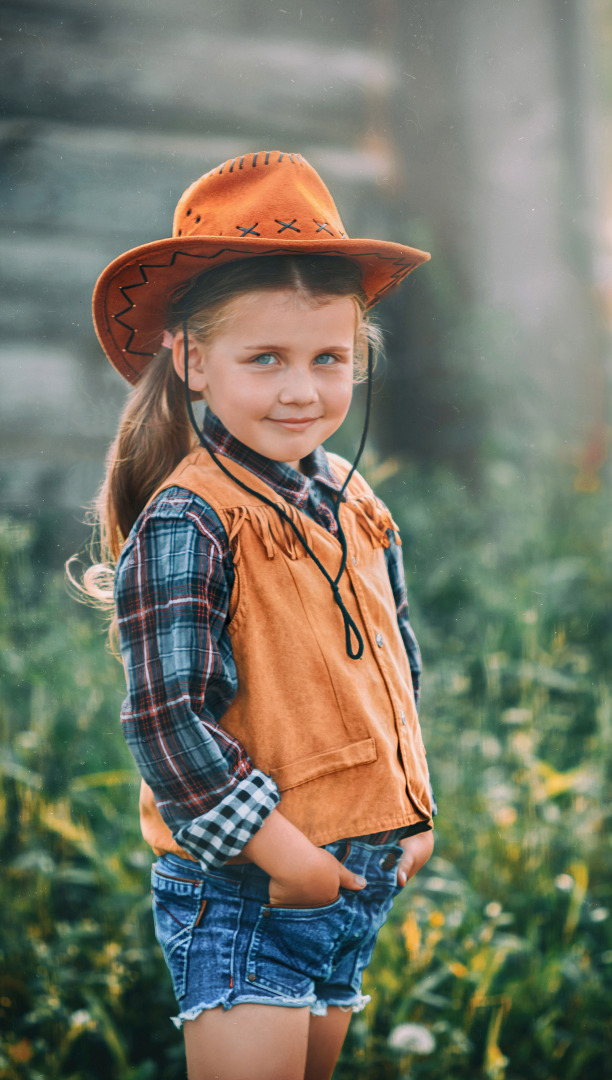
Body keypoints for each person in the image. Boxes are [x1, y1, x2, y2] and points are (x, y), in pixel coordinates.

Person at [85, 150, 434, 1080]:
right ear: (194, 361)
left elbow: (393, 662)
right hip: (248, 885)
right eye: (266, 359)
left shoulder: (353, 500)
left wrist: (412, 810)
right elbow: (169, 720)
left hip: (351, 877)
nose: (300, 390)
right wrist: (282, 852)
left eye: (329, 360)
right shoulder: (189, 517)